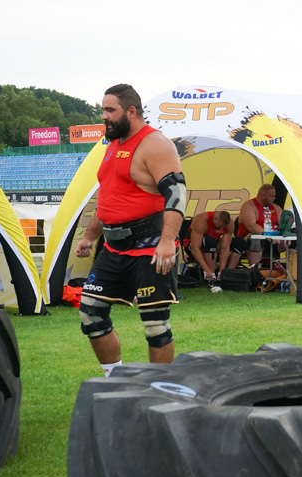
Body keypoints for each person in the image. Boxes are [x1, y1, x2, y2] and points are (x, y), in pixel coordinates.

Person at [73, 83, 186, 374]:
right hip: (113, 249)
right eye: (103, 110)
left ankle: (160, 390)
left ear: (131, 111)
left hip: (149, 249)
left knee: (155, 324)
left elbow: (177, 194)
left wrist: (166, 242)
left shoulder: (155, 144)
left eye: (110, 110)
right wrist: (89, 236)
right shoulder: (112, 146)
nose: (104, 116)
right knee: (90, 314)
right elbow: (109, 197)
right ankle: (114, 381)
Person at [236, 183, 287, 266]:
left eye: (274, 196)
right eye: (271, 196)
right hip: (250, 238)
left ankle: (291, 270)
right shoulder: (249, 206)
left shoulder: (276, 208)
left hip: (272, 238)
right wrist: (267, 235)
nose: (274, 198)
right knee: (255, 237)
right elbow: (251, 225)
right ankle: (255, 268)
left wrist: (285, 236)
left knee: (290, 239)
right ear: (263, 195)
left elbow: (283, 225)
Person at [187, 210, 242, 282]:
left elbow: (225, 248)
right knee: (210, 241)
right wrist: (206, 270)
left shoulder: (229, 224)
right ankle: (211, 276)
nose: (221, 228)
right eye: (219, 226)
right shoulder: (201, 220)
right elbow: (195, 248)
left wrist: (222, 270)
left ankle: (225, 275)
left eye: (223, 227)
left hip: (214, 245)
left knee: (239, 242)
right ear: (214, 219)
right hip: (193, 246)